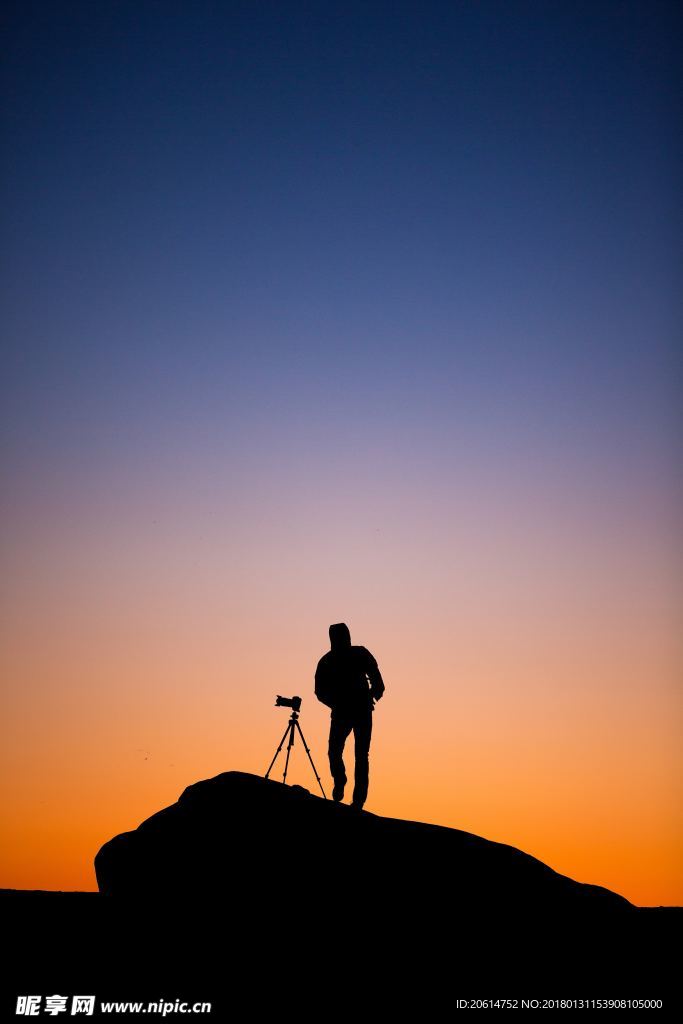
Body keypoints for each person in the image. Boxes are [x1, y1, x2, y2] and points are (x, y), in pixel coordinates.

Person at [314, 622, 385, 809]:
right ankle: (341, 781)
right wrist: (337, 703)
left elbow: (379, 683)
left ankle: (358, 800)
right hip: (344, 712)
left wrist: (371, 695)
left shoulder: (358, 654)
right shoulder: (327, 661)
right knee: (338, 752)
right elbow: (319, 691)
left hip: (357, 712)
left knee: (359, 755)